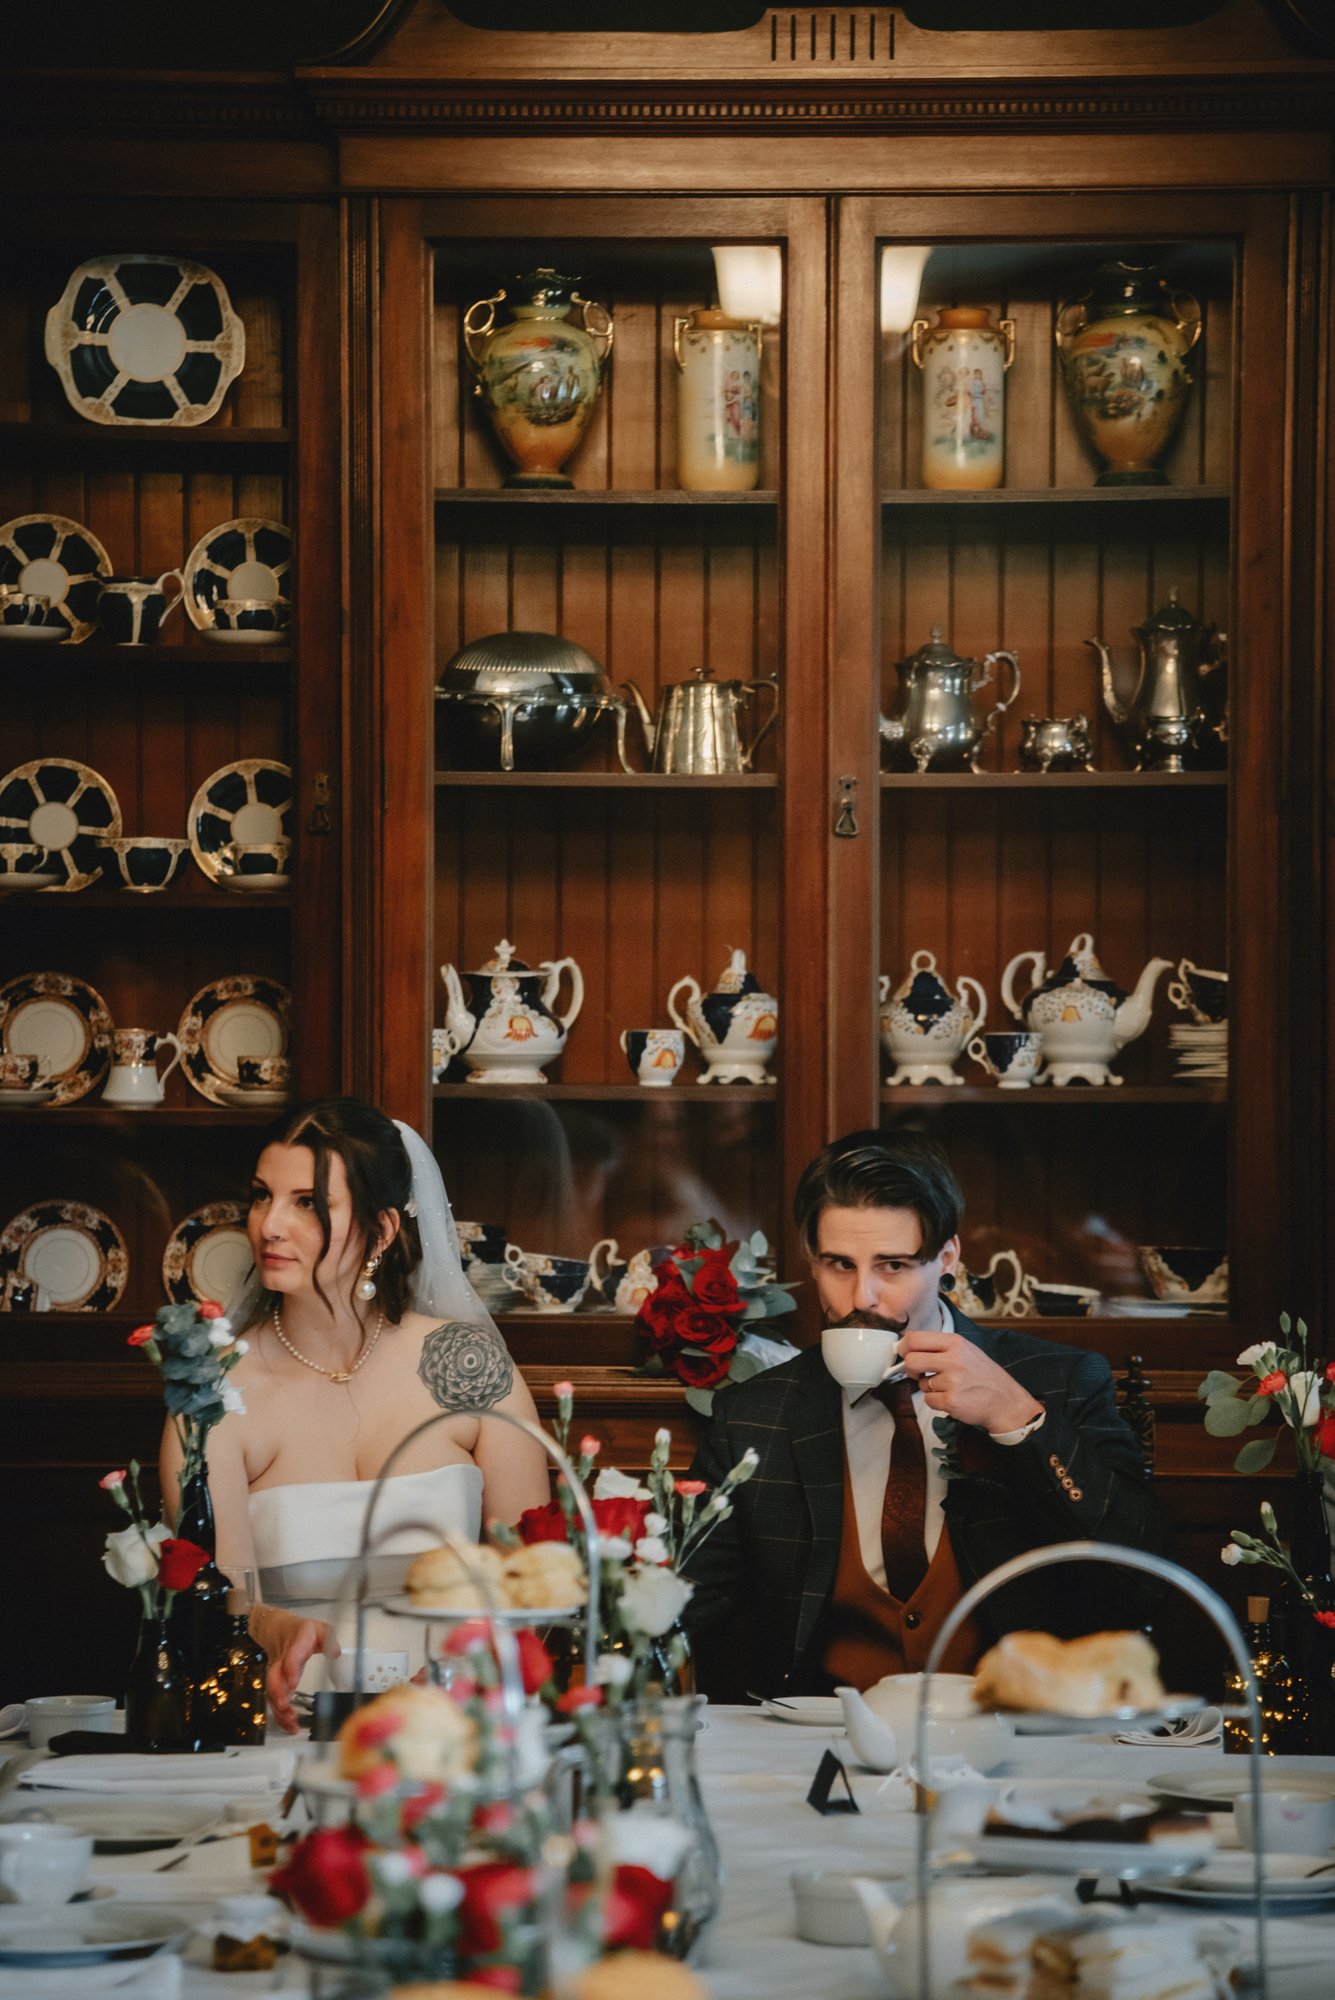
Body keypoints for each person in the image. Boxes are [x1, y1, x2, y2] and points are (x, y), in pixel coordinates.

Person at [682, 1128, 1165, 1695]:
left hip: (1018, 1733)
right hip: (819, 1738)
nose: (861, 1297)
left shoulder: (1055, 1382)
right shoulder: (754, 1415)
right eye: (839, 1264)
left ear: (947, 1258)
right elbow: (684, 1606)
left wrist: (1019, 1421)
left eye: (893, 1266)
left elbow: (1141, 1582)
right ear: (811, 1262)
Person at [160, 1097, 549, 1733]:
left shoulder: (464, 1362)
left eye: (307, 1202)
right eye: (262, 1196)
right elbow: (216, 1595)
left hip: (458, 1720)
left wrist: (458, 1668)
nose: (270, 1225)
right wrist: (275, 1626)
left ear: (382, 1230)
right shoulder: (216, 1390)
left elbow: (530, 1578)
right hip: (286, 1718)